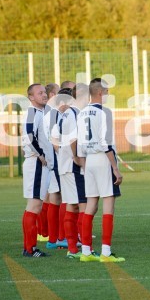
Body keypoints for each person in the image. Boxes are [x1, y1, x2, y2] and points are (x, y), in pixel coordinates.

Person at [77, 78, 125, 262]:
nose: (108, 95)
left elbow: (80, 143)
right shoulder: (105, 112)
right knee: (108, 204)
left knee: (90, 205)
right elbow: (106, 143)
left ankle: (86, 252)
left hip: (88, 161)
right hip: (103, 159)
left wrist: (84, 165)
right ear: (100, 93)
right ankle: (106, 252)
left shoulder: (81, 114)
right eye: (107, 92)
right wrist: (115, 168)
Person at [52, 85, 87, 259]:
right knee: (84, 205)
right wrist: (75, 156)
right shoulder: (73, 113)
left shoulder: (63, 115)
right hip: (73, 166)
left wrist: (63, 154)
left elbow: (54, 140)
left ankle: (72, 248)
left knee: (71, 205)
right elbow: (73, 137)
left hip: (64, 165)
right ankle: (84, 247)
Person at [20, 83, 50, 257]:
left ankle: (29, 247)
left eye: (44, 92)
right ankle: (30, 248)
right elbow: (29, 135)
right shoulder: (32, 112)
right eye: (40, 93)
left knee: (35, 205)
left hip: (40, 163)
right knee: (34, 205)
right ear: (31, 97)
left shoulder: (40, 113)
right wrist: (40, 154)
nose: (44, 95)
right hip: (36, 163)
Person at [42, 82, 67, 250]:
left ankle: (53, 239)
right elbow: (54, 139)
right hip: (57, 160)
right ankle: (61, 237)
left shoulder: (46, 114)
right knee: (65, 197)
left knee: (54, 198)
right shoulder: (54, 114)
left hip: (51, 160)